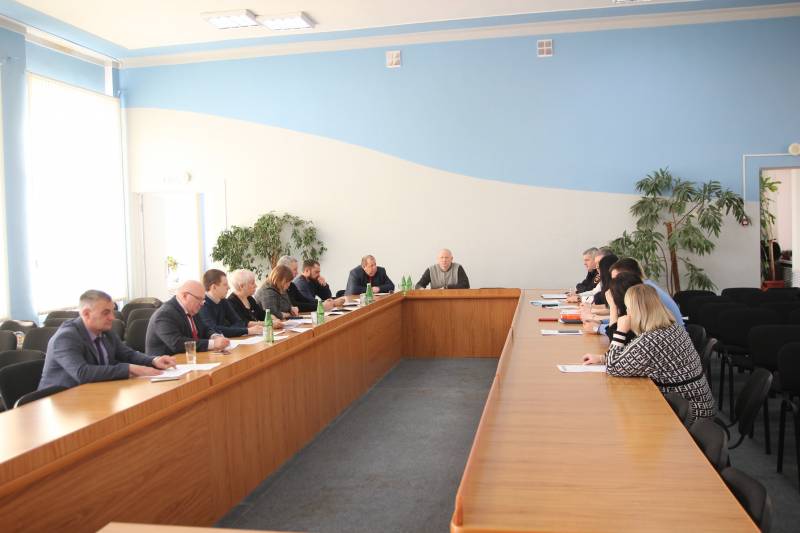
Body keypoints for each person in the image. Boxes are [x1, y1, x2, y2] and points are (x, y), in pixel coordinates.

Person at [582, 284, 715, 425]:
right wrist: (602, 358)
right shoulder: (670, 327)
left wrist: (620, 331)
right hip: (696, 403)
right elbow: (629, 354)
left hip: (693, 414)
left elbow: (613, 367)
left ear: (636, 311)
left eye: (628, 308)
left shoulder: (652, 339)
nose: (627, 312)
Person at [39, 290, 177, 389]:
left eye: (112, 311)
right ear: (86, 314)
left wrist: (153, 360)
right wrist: (130, 369)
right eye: (106, 313)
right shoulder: (66, 337)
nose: (112, 317)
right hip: (62, 401)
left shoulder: (105, 331)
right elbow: (82, 373)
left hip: (95, 392)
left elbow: (128, 354)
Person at [145, 280, 231, 355]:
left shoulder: (192, 308)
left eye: (203, 299)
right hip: (167, 365)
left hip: (189, 360)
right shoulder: (165, 314)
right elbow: (177, 343)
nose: (202, 303)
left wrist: (214, 336)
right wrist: (213, 344)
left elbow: (204, 329)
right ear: (184, 296)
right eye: (199, 299)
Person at [609, 258, 684, 326]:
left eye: (617, 279)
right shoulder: (645, 285)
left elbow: (626, 329)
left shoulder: (642, 292)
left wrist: (612, 305)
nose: (614, 284)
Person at [198, 269, 262, 337]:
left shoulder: (223, 301)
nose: (228, 287)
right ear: (214, 287)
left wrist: (229, 330)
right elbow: (213, 329)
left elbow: (239, 323)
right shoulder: (202, 304)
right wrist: (247, 331)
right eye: (225, 284)